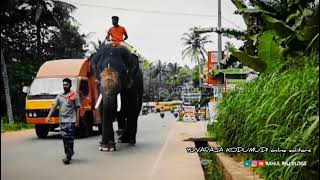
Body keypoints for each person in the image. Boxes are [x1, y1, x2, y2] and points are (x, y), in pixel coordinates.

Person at [46, 78, 81, 165]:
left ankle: (68, 156)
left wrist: (77, 121)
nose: (65, 86)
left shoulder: (75, 96)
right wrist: (48, 116)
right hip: (62, 121)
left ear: (70, 85)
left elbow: (77, 109)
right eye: (64, 84)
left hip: (71, 121)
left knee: (69, 139)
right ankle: (69, 153)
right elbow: (54, 106)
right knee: (65, 139)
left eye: (66, 84)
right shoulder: (60, 96)